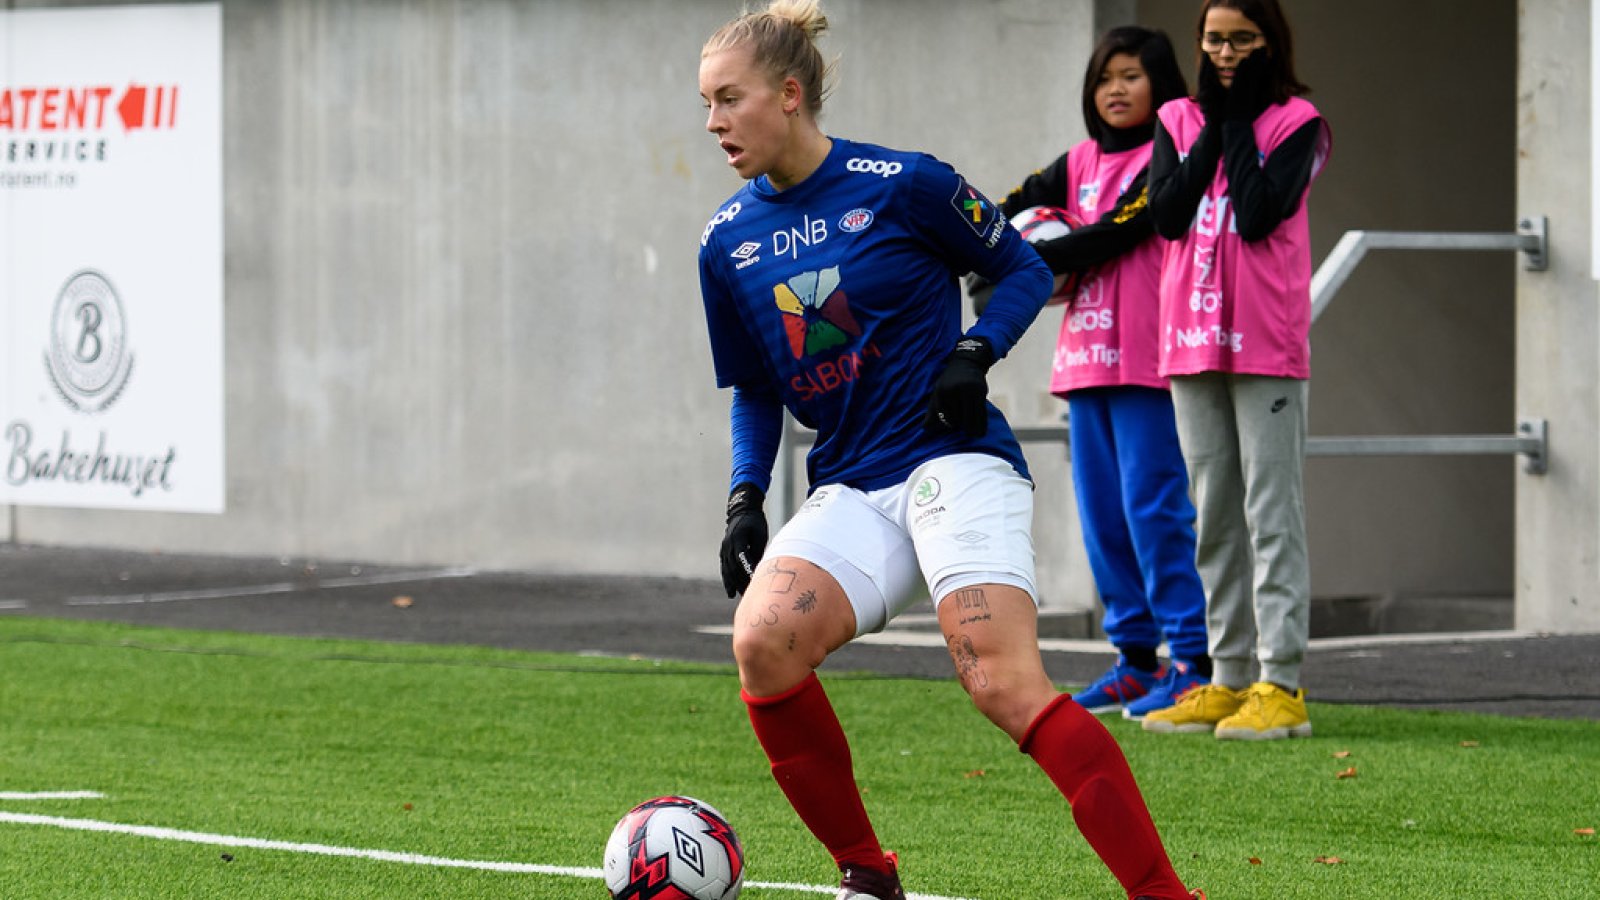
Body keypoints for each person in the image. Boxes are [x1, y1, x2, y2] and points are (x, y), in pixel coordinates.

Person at [696, 2, 1200, 897]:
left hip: (954, 463)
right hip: (853, 484)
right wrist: (745, 496)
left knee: (999, 680)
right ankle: (866, 875)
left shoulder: (906, 183)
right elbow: (757, 388)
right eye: (706, 105)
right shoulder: (725, 242)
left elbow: (1025, 268)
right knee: (761, 644)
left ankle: (1165, 895)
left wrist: (975, 353)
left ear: (788, 93)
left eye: (728, 100)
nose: (714, 123)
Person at [990, 26, 1212, 721]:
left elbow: (1126, 228)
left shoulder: (1167, 153)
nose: (1115, 90)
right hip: (1083, 362)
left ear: (1161, 85)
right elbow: (998, 212)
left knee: (1156, 509)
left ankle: (1192, 660)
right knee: (1104, 518)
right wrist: (985, 251)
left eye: (1131, 76)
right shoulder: (1075, 162)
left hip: (1148, 358)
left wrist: (1030, 261)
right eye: (1104, 78)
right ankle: (1134, 660)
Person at [1141, 0, 1331, 741]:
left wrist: (1238, 124)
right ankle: (1226, 677)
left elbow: (1256, 213)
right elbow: (1169, 214)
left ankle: (1279, 682)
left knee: (1270, 511)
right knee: (1213, 511)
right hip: (1190, 339)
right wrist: (1214, 125)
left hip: (1265, 342)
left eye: (1242, 40)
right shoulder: (1179, 119)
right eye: (1215, 39)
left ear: (1269, 43)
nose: (1226, 52)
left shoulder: (1299, 122)